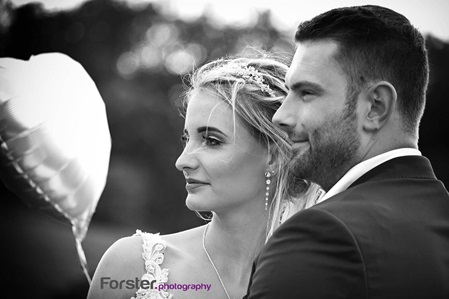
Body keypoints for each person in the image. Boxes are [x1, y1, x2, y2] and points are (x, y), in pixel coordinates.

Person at [244, 5, 449, 299]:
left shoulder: (321, 234)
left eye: (307, 93)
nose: (281, 116)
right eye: (288, 91)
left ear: (375, 107)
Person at [87, 56, 321, 299]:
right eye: (186, 139)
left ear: (274, 156)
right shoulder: (133, 266)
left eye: (211, 141)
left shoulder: (317, 282)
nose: (182, 161)